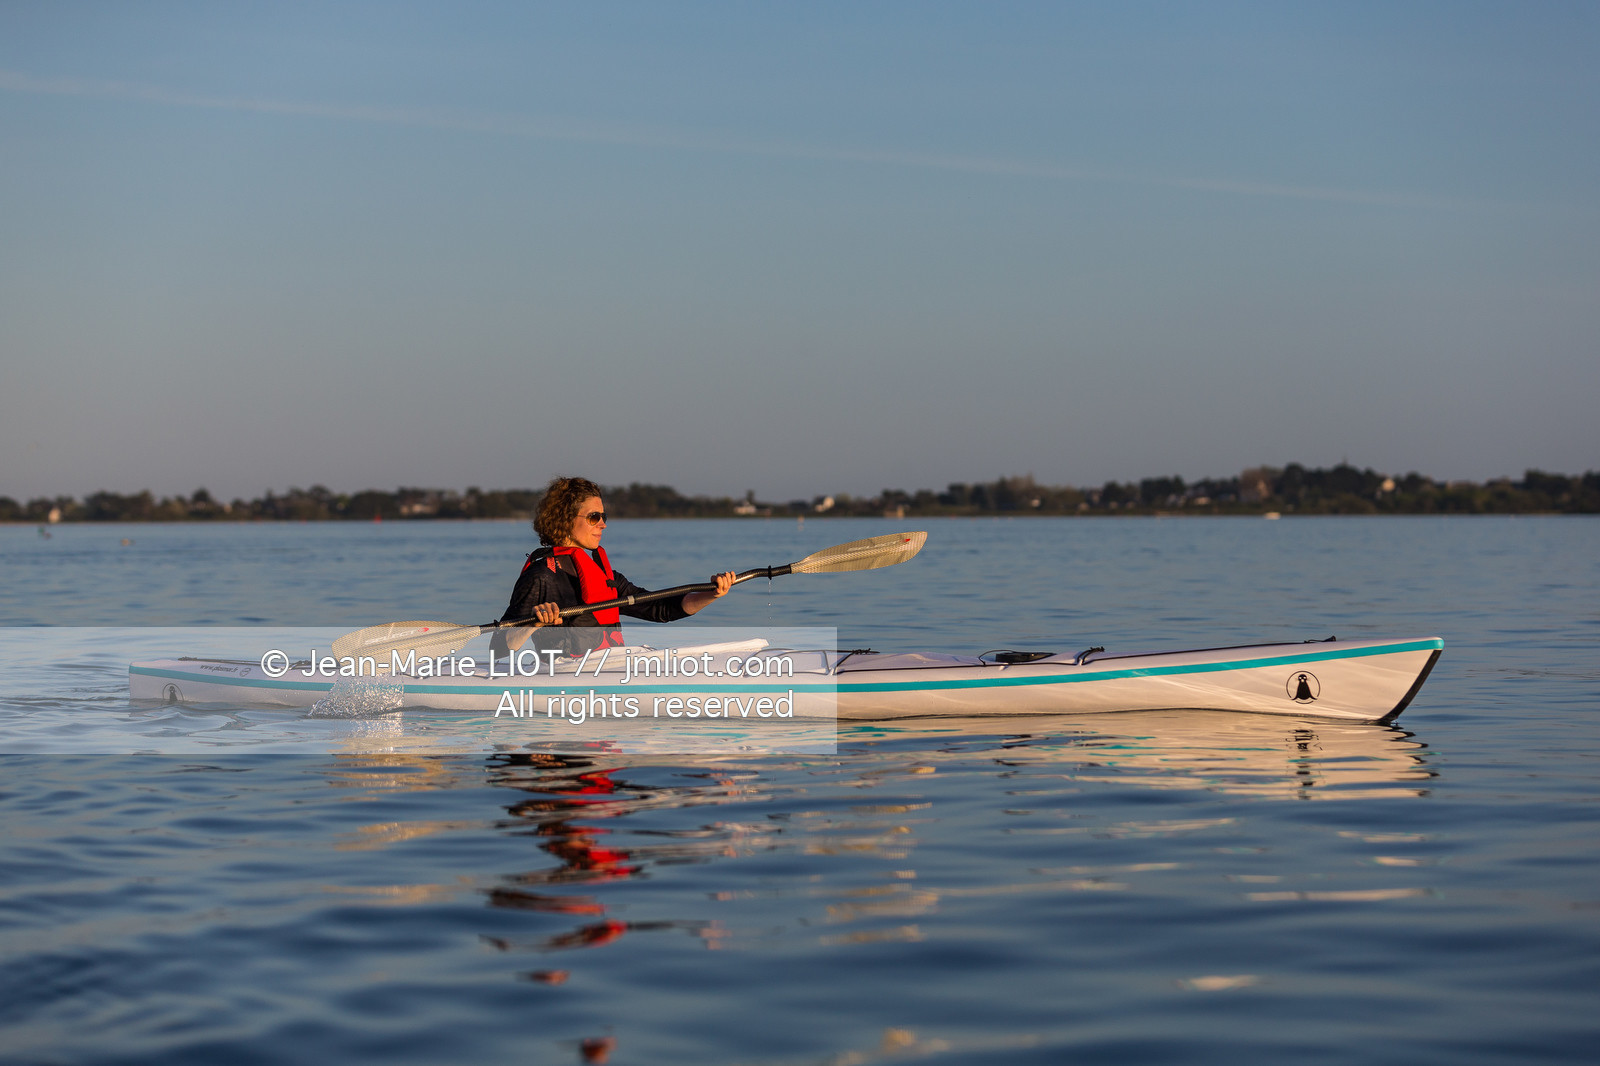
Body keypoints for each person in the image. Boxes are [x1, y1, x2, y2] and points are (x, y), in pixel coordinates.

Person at [489, 476, 735, 658]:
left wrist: (712, 593)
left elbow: (661, 609)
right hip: (564, 682)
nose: (603, 525)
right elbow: (498, 648)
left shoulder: (606, 577)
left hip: (608, 669)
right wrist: (535, 622)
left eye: (603, 517)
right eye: (594, 517)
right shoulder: (541, 577)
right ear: (564, 520)